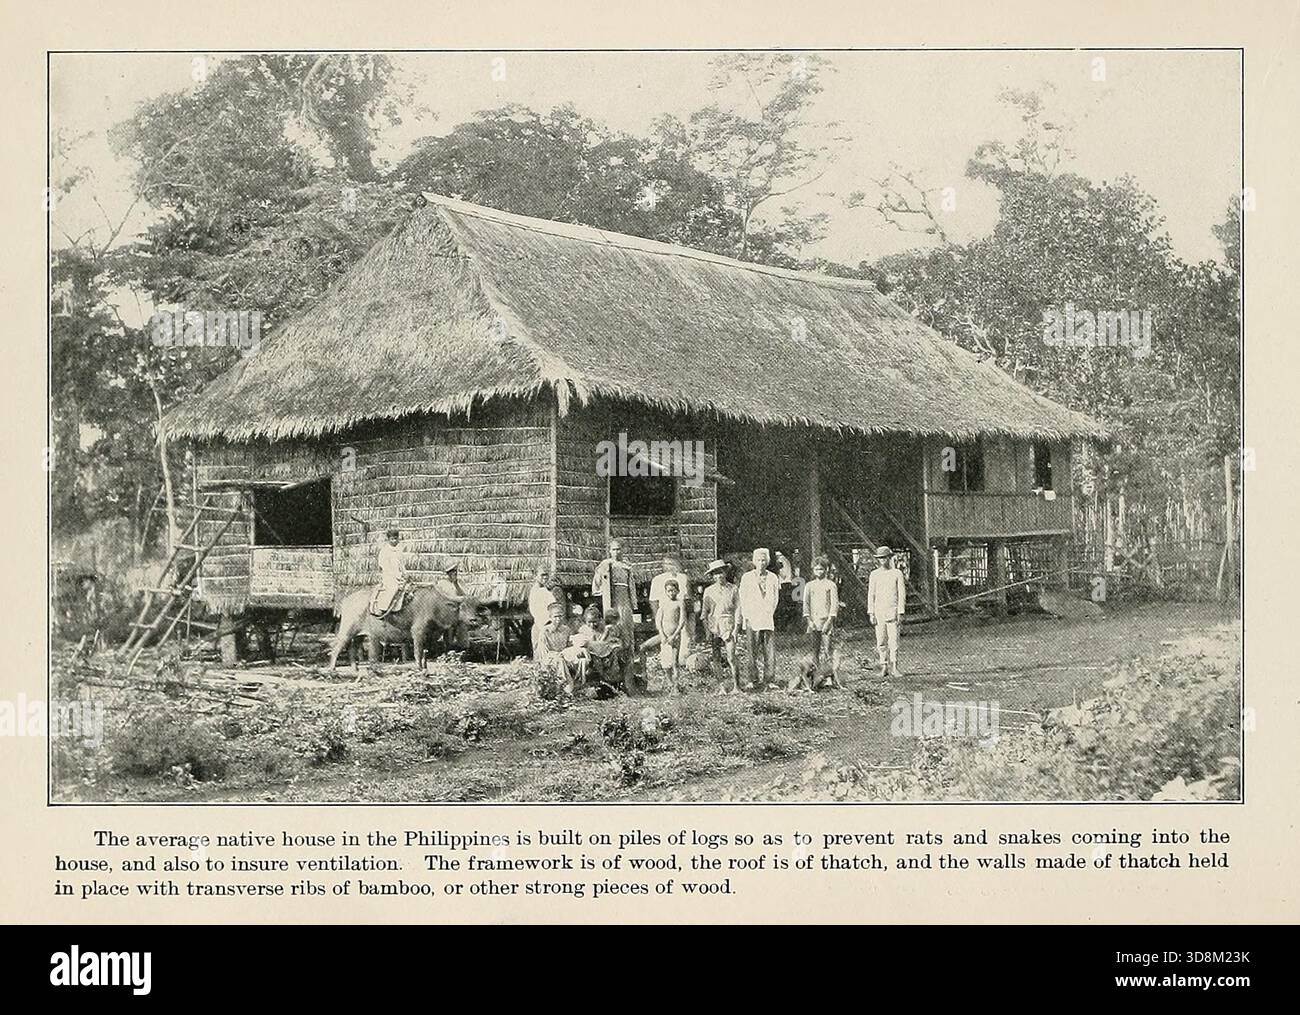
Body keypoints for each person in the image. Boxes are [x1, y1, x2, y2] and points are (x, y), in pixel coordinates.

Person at [592, 538, 638, 678]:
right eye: (613, 549)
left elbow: (631, 587)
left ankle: (628, 664)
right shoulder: (605, 565)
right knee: (610, 630)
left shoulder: (627, 566)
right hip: (611, 601)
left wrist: (633, 603)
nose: (616, 552)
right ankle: (610, 666)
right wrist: (602, 573)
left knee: (626, 629)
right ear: (609, 551)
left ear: (622, 550)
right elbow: (597, 583)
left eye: (618, 549)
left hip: (624, 601)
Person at [737, 548, 781, 690]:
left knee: (769, 650)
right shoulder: (747, 577)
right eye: (758, 560)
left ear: (767, 562)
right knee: (752, 650)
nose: (761, 563)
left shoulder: (773, 577)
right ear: (754, 561)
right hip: (752, 617)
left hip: (767, 617)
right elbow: (742, 598)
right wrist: (747, 616)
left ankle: (769, 679)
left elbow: (775, 598)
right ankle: (752, 679)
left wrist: (769, 612)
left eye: (763, 560)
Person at [799, 554, 840, 690]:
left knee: (827, 649)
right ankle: (817, 676)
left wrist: (830, 620)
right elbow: (806, 604)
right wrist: (809, 620)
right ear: (813, 570)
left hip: (826, 620)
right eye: (816, 569)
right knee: (815, 650)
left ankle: (829, 677)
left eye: (821, 569)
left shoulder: (831, 585)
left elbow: (834, 604)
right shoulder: (809, 586)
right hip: (814, 621)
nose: (819, 572)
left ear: (826, 570)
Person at [700, 559, 739, 693]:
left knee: (731, 656)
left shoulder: (733, 588)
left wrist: (735, 629)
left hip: (728, 623)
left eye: (721, 572)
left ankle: (736, 686)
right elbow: (704, 613)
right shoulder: (708, 591)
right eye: (716, 574)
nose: (719, 576)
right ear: (712, 576)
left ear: (725, 572)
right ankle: (721, 686)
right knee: (716, 657)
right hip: (714, 625)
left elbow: (738, 609)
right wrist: (707, 630)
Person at [867, 545, 907, 678]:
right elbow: (871, 594)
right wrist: (871, 612)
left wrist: (900, 611)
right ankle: (884, 666)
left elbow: (901, 594)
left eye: (885, 558)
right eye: (880, 558)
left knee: (894, 641)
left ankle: (894, 667)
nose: (883, 560)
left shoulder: (897, 573)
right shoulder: (874, 574)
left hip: (893, 611)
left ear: (890, 558)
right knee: (881, 641)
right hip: (879, 611)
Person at [536, 600, 586, 694]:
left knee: (582, 658)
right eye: (555, 617)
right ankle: (565, 687)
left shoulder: (566, 630)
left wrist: (575, 651)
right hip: (550, 658)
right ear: (550, 617)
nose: (558, 619)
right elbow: (543, 653)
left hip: (564, 655)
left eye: (560, 616)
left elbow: (569, 646)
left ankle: (580, 685)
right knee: (560, 660)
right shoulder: (545, 631)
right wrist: (557, 655)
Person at [648, 553, 692, 659]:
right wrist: (657, 619)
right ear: (663, 565)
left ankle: (681, 662)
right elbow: (653, 601)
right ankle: (668, 663)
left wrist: (690, 621)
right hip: (666, 617)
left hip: (680, 615)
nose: (670, 566)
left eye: (673, 563)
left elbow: (688, 601)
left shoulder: (683, 578)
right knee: (666, 646)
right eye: (667, 564)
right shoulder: (657, 580)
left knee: (683, 648)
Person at [654, 578, 687, 694]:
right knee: (665, 662)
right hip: (664, 636)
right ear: (665, 592)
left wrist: (675, 635)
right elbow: (659, 620)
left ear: (678, 591)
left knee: (674, 662)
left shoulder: (680, 603)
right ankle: (669, 683)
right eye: (668, 591)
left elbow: (682, 620)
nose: (671, 593)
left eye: (673, 590)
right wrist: (662, 634)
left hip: (675, 635)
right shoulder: (663, 604)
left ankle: (676, 686)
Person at [372, 527, 407, 614]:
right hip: (389, 576)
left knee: (408, 588)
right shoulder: (385, 551)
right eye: (392, 539)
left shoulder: (399, 551)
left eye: (396, 539)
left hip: (399, 575)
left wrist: (405, 573)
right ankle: (383, 607)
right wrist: (396, 576)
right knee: (394, 588)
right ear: (388, 540)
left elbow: (401, 564)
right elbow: (385, 566)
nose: (394, 541)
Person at [528, 565, 558, 659]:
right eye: (542, 575)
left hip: (546, 624)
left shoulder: (545, 590)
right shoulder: (536, 592)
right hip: (541, 625)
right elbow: (536, 611)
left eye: (547, 575)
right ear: (536, 576)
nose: (545, 577)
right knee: (540, 653)